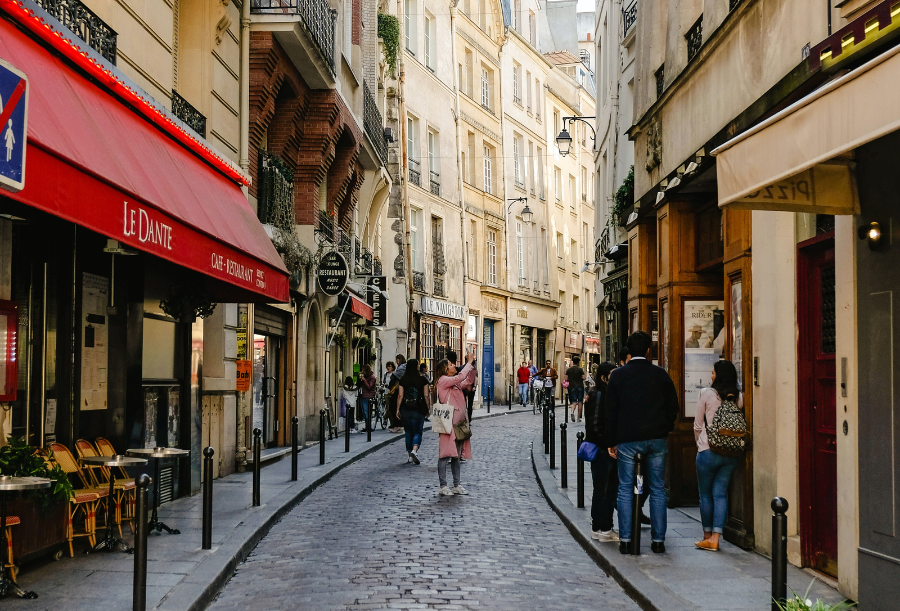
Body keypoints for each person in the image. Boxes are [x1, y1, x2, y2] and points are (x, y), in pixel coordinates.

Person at [605, 331, 679, 554]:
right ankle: (658, 541)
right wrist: (664, 428)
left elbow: (611, 411)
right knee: (657, 488)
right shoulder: (660, 374)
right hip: (656, 439)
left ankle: (626, 539)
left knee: (626, 488)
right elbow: (673, 406)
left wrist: (611, 441)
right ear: (648, 350)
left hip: (628, 440)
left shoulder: (618, 376)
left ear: (629, 350)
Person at [693, 360, 743, 552]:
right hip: (731, 452)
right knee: (720, 494)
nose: (711, 375)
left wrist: (700, 444)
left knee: (705, 494)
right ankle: (715, 537)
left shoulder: (706, 394)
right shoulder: (739, 397)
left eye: (713, 372)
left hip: (708, 450)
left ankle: (706, 535)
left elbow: (698, 425)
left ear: (718, 375)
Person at [584, 362, 618, 541]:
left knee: (604, 488)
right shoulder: (599, 394)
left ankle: (600, 526)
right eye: (613, 374)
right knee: (605, 489)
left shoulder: (600, 393)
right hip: (602, 449)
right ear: (604, 377)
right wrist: (608, 444)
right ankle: (602, 527)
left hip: (603, 447)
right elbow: (596, 423)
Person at [434, 355, 476, 495]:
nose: (454, 366)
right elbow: (460, 378)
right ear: (445, 368)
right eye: (451, 365)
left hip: (458, 424)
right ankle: (443, 486)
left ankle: (456, 485)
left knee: (456, 455)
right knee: (444, 455)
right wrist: (468, 363)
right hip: (448, 424)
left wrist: (472, 366)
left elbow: (467, 380)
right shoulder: (443, 380)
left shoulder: (454, 383)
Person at [396, 358, 430, 464]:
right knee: (418, 431)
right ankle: (414, 450)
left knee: (408, 432)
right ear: (416, 366)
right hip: (419, 408)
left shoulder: (403, 379)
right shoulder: (423, 379)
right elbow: (426, 395)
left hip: (406, 408)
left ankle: (409, 454)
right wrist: (428, 408)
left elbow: (400, 395)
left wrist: (398, 409)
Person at [387, 356, 406, 433]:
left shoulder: (402, 367)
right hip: (400, 389)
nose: (397, 361)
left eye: (397, 360)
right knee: (395, 407)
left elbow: (394, 377)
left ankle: (398, 425)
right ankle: (398, 425)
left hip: (398, 389)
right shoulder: (403, 367)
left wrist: (390, 386)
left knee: (393, 407)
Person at [566, 356, 586, 422]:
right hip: (580, 386)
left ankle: (572, 412)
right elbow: (584, 378)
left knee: (574, 402)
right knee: (580, 402)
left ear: (573, 361)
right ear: (578, 362)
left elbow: (566, 379)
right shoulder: (580, 369)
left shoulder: (569, 370)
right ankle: (578, 418)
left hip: (572, 387)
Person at [358, 364, 377, 432]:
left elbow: (369, 387)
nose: (362, 372)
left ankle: (368, 427)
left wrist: (364, 380)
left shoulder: (372, 377)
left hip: (368, 397)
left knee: (367, 413)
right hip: (363, 396)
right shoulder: (365, 377)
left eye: (363, 370)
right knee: (364, 412)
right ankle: (367, 426)